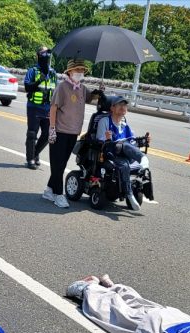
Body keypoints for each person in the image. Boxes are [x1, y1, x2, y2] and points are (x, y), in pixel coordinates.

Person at [45, 59, 103, 208]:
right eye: (77, 70)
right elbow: (53, 108)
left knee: (62, 164)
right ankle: (58, 194)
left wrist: (99, 92)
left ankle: (49, 190)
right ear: (69, 72)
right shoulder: (62, 87)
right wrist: (52, 129)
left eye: (82, 70)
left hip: (73, 132)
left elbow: (90, 98)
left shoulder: (82, 88)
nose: (80, 73)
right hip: (59, 131)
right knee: (57, 164)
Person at [95, 95, 149, 211]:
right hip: (110, 154)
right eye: (120, 105)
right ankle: (129, 194)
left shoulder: (125, 125)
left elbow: (133, 142)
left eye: (125, 105)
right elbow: (99, 141)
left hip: (123, 155)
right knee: (123, 151)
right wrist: (106, 138)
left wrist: (144, 141)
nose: (123, 107)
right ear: (112, 108)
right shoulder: (104, 121)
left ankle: (130, 192)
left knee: (126, 149)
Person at [23, 46, 56, 168]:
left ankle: (35, 153)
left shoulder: (53, 73)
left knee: (47, 135)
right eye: (43, 53)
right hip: (34, 107)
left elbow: (55, 90)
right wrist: (39, 80)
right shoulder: (33, 71)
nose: (46, 55)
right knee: (32, 133)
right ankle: (30, 159)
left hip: (48, 108)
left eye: (47, 53)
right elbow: (27, 87)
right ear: (38, 55)